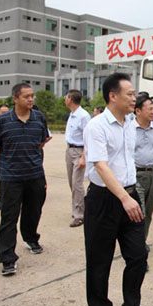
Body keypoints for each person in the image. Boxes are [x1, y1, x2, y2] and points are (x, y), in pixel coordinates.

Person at [83, 73, 153, 306]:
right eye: (130, 94)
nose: (134, 98)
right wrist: (124, 198)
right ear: (113, 96)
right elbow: (101, 166)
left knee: (138, 255)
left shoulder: (130, 124)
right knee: (99, 259)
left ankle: (131, 304)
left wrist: (130, 195)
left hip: (129, 195)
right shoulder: (96, 126)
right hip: (104, 199)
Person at [0, 84, 49, 276]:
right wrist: (7, 161)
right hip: (11, 177)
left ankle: (31, 238)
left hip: (35, 175)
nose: (31, 99)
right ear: (15, 99)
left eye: (32, 96)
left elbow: (42, 141)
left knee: (34, 210)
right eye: (26, 96)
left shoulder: (39, 118)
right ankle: (7, 258)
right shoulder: (3, 121)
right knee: (9, 218)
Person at [133, 95, 153, 244]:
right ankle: (136, 243)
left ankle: (142, 240)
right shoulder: (129, 129)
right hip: (136, 175)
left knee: (149, 212)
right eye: (149, 109)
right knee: (140, 212)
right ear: (138, 111)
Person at [64, 89, 91, 228]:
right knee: (71, 183)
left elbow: (88, 138)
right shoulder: (72, 114)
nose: (65, 99)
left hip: (79, 151)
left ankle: (80, 215)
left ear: (70, 99)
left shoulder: (83, 116)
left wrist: (83, 157)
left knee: (77, 184)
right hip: (70, 150)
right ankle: (78, 207)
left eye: (66, 97)